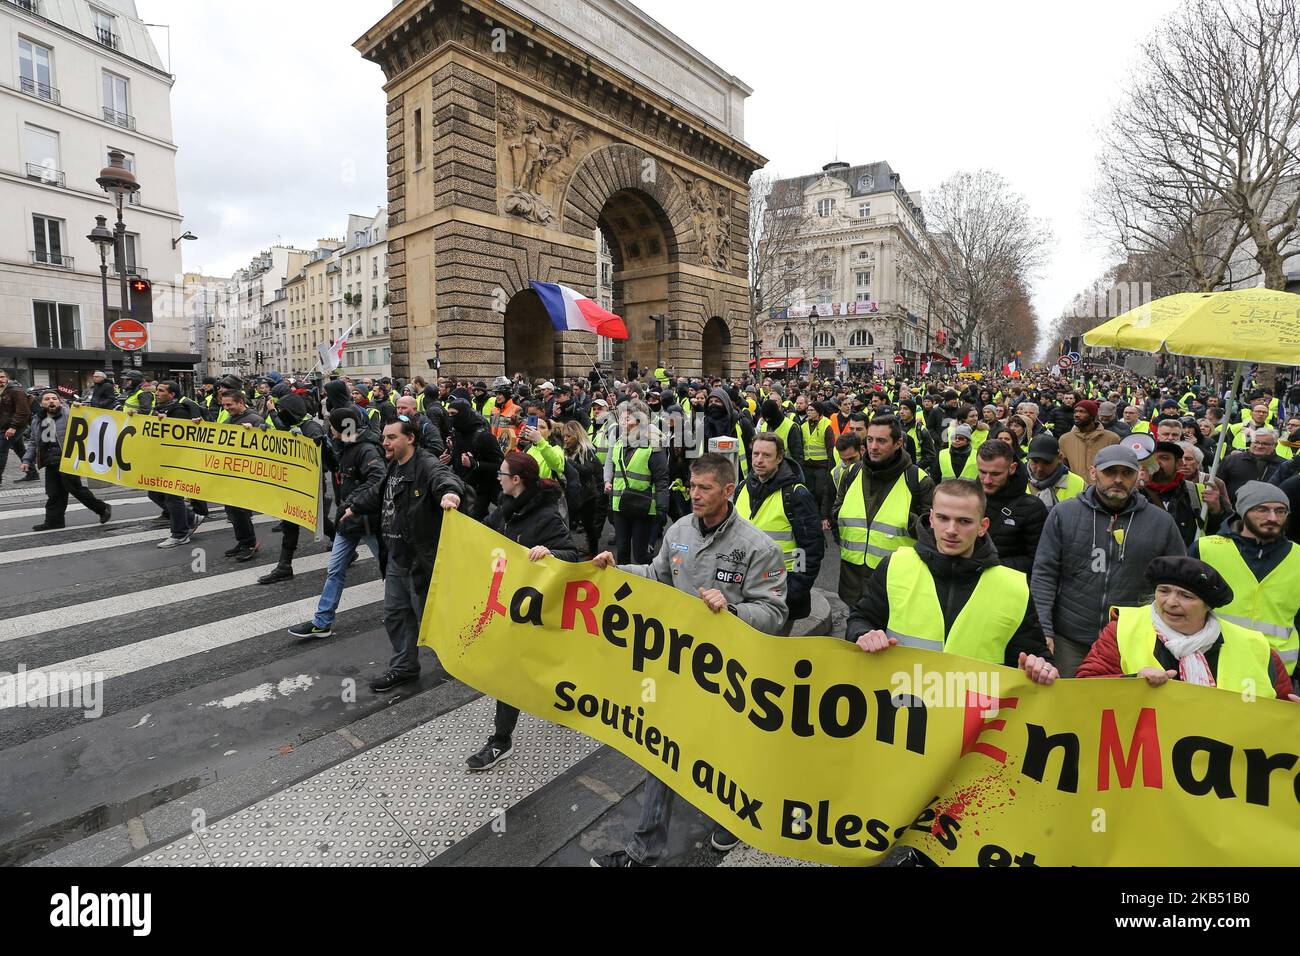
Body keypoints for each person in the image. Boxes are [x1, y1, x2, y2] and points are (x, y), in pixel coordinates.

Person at [590, 453, 787, 866]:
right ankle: (644, 850)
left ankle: (735, 819)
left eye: (705, 488)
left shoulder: (758, 547)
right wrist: (615, 570)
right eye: (692, 487)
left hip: (732, 674)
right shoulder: (678, 528)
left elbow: (774, 613)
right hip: (680, 665)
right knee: (664, 750)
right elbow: (658, 575)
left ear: (729, 491)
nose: (694, 495)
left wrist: (733, 611)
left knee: (727, 754)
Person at [848, 478, 1057, 680]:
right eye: (943, 518)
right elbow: (860, 618)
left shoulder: (1013, 588)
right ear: (931, 518)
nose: (951, 530)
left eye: (964, 521)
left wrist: (1038, 667)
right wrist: (864, 633)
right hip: (903, 706)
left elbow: (1036, 654)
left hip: (974, 714)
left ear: (983, 526)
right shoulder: (894, 566)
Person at [466, 452, 584, 772]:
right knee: (512, 672)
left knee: (535, 668)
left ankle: (504, 739)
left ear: (516, 480)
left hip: (539, 611)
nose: (498, 479)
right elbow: (479, 534)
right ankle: (503, 739)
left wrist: (550, 552)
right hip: (512, 610)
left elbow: (572, 555)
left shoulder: (546, 517)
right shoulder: (504, 510)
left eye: (502, 475)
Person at [1031, 444, 1187, 677]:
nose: (1118, 479)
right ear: (1094, 473)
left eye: (1126, 473)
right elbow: (1045, 574)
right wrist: (1044, 629)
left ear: (1137, 475)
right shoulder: (1064, 514)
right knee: (1067, 705)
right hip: (1070, 639)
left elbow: (1178, 582)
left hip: (1131, 640)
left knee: (1123, 709)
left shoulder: (1161, 523)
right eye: (1110, 472)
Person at [341, 417, 465, 692]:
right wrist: (355, 506)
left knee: (432, 619)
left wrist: (450, 494)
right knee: (396, 614)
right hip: (397, 558)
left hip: (420, 560)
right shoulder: (394, 466)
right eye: (384, 437)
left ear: (409, 438)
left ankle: (463, 662)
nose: (385, 442)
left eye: (391, 437)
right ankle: (404, 667)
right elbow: (379, 491)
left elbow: (444, 478)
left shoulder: (425, 464)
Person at [1077, 556, 1294, 699]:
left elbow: (1280, 709)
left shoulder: (1255, 646)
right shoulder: (1123, 629)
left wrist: (1292, 714)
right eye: (1164, 591)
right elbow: (1084, 688)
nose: (1170, 602)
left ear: (1207, 606)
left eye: (1185, 596)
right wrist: (1131, 682)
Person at [1192, 481, 1300, 675]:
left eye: (1281, 511)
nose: (1273, 517)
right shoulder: (1205, 549)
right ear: (1243, 511)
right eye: (1262, 509)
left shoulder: (1298, 557)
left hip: (1276, 671)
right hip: (1213, 662)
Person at [833, 415, 935, 607]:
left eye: (881, 441)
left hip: (896, 584)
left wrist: (909, 522)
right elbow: (837, 511)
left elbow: (932, 535)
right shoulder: (852, 472)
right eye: (870, 439)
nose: (873, 447)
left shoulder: (919, 481)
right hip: (852, 582)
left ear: (898, 443)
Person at [735, 433, 824, 634]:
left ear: (780, 458)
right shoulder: (742, 488)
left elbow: (810, 549)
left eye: (766, 455)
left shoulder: (796, 494)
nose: (759, 460)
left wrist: (793, 592)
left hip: (779, 592)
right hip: (743, 589)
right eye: (755, 453)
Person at [257, 393, 327, 583]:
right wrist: (265, 430)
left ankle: (345, 547)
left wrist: (313, 441)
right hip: (294, 486)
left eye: (282, 411)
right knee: (290, 524)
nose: (280, 414)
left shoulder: (311, 427)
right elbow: (280, 427)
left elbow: (323, 450)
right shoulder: (291, 425)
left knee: (322, 523)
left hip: (311, 488)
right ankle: (284, 566)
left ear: (292, 412)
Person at [21, 391, 112, 530]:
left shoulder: (68, 413)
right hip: (50, 461)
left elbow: (87, 421)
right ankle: (54, 521)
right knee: (54, 492)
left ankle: (102, 508)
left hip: (68, 459)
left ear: (59, 401)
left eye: (54, 398)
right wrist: (27, 460)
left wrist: (79, 409)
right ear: (41, 403)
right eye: (47, 399)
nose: (51, 401)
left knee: (75, 489)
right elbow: (33, 441)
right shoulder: (37, 420)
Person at [604, 399, 669, 565]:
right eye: (621, 419)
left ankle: (647, 585)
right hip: (620, 506)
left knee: (640, 555)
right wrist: (611, 504)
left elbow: (661, 480)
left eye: (627, 419)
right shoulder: (619, 443)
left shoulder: (654, 446)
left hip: (644, 507)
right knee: (622, 552)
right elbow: (617, 477)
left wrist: (661, 510)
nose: (622, 423)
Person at [148, 381, 207, 548]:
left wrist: (165, 422)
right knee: (154, 493)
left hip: (176, 461)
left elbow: (179, 436)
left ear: (172, 394)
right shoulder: (160, 408)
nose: (157, 393)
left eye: (160, 390)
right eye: (157, 390)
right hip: (162, 460)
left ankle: (180, 534)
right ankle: (191, 518)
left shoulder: (179, 411)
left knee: (172, 497)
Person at [976, 439, 1046, 573]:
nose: (987, 480)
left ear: (1012, 468)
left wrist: (994, 565)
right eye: (982, 472)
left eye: (995, 474)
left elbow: (1038, 560)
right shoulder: (965, 498)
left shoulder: (1032, 509)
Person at [1139, 440, 1224, 547]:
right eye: (1151, 459)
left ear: (1179, 464)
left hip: (1189, 560)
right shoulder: (1135, 492)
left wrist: (1217, 511)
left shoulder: (1201, 492)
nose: (1157, 463)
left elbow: (1222, 533)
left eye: (1164, 458)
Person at [218, 388, 267, 561]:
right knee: (232, 511)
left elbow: (266, 440)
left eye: (229, 404)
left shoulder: (255, 419)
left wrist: (255, 430)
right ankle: (243, 541)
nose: (226, 408)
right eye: (223, 405)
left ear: (241, 402)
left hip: (246, 474)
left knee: (241, 510)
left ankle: (250, 543)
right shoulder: (230, 419)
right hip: (231, 472)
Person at [446, 398, 503, 520]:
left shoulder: (484, 437)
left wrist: (476, 464)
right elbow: (458, 458)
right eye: (448, 414)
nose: (450, 417)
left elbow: (500, 465)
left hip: (480, 490)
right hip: (460, 486)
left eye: (454, 414)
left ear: (464, 413)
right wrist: (449, 457)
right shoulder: (456, 432)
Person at [559, 419, 603, 557]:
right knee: (565, 525)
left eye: (569, 436)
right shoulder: (563, 450)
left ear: (577, 435)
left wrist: (569, 464)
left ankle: (594, 553)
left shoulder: (587, 450)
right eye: (564, 436)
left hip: (587, 495)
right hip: (570, 494)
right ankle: (565, 552)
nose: (565, 439)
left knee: (589, 526)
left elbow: (588, 471)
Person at [1058, 399, 1120, 482]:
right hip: (1076, 489)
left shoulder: (1112, 438)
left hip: (1102, 489)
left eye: (1082, 411)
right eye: (1075, 411)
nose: (1077, 415)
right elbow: (1062, 468)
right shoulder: (1065, 439)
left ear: (1092, 415)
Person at [1219, 428, 1287, 500]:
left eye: (1265, 444)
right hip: (1231, 508)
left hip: (1269, 508)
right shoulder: (1231, 460)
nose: (1259, 446)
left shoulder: (1284, 465)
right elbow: (1218, 485)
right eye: (1256, 442)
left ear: (1275, 445)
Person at [1025, 433, 1084, 509]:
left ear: (1060, 458)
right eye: (1035, 461)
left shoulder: (1079, 484)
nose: (1040, 468)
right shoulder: (1016, 481)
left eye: (1046, 462)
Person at [800, 400, 836, 520]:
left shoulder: (826, 425)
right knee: (809, 492)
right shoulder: (803, 425)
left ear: (819, 412)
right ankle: (812, 514)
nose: (808, 412)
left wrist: (830, 467)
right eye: (808, 410)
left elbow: (830, 448)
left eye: (811, 410)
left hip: (822, 465)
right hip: (808, 465)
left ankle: (822, 516)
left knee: (820, 491)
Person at [0, 369, 34, 484]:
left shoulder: (15, 390)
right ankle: (32, 473)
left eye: (2, 377)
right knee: (20, 449)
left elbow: (23, 411)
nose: (0, 380)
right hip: (5, 426)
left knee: (1, 450)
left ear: (7, 378)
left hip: (14, 426)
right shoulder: (2, 391)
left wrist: (13, 427)